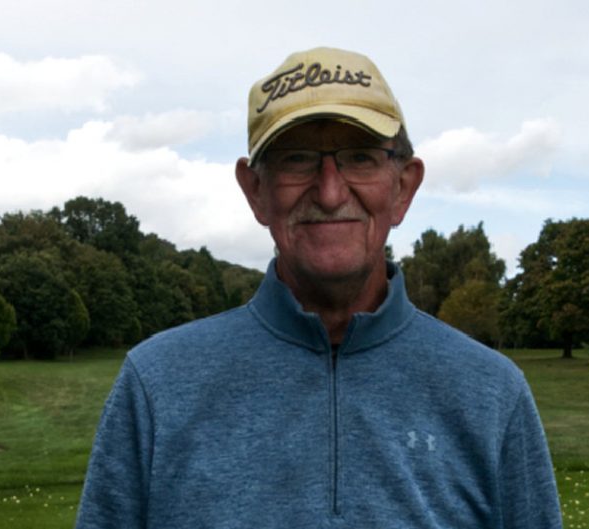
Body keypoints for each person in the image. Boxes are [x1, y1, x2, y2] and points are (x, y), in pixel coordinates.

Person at [75, 47, 562, 529]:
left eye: (360, 157)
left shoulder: (493, 393)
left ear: (403, 187)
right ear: (256, 191)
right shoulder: (155, 385)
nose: (330, 193)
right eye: (297, 159)